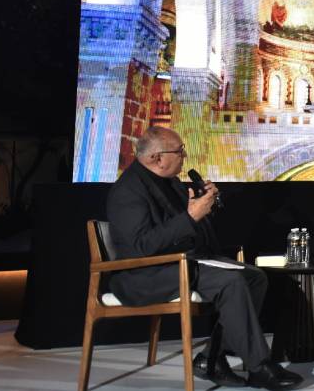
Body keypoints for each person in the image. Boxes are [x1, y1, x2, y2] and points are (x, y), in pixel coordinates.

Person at [106, 126, 302, 389]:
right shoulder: (128, 191)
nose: (184, 156)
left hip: (178, 262)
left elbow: (184, 228)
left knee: (254, 277)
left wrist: (204, 205)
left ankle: (211, 359)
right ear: (157, 158)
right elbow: (140, 247)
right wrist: (191, 216)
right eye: (179, 151)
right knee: (231, 281)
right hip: (143, 274)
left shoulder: (170, 182)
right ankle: (259, 367)